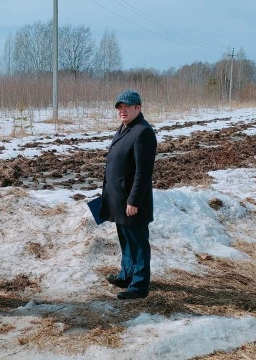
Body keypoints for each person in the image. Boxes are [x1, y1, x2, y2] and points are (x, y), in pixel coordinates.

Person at [99, 89, 158, 300]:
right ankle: (127, 275)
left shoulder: (143, 132)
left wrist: (134, 200)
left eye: (127, 107)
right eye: (120, 108)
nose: (122, 111)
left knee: (138, 243)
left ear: (138, 108)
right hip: (118, 198)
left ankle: (139, 286)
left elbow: (143, 172)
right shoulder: (125, 128)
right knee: (125, 240)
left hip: (132, 200)